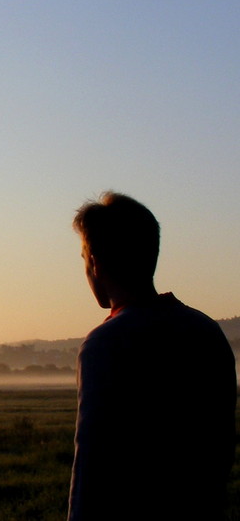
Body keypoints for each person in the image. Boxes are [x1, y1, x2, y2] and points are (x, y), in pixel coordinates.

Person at [68, 192, 236, 521]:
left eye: (84, 259)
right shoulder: (206, 331)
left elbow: (92, 466)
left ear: (96, 264)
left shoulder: (105, 344)